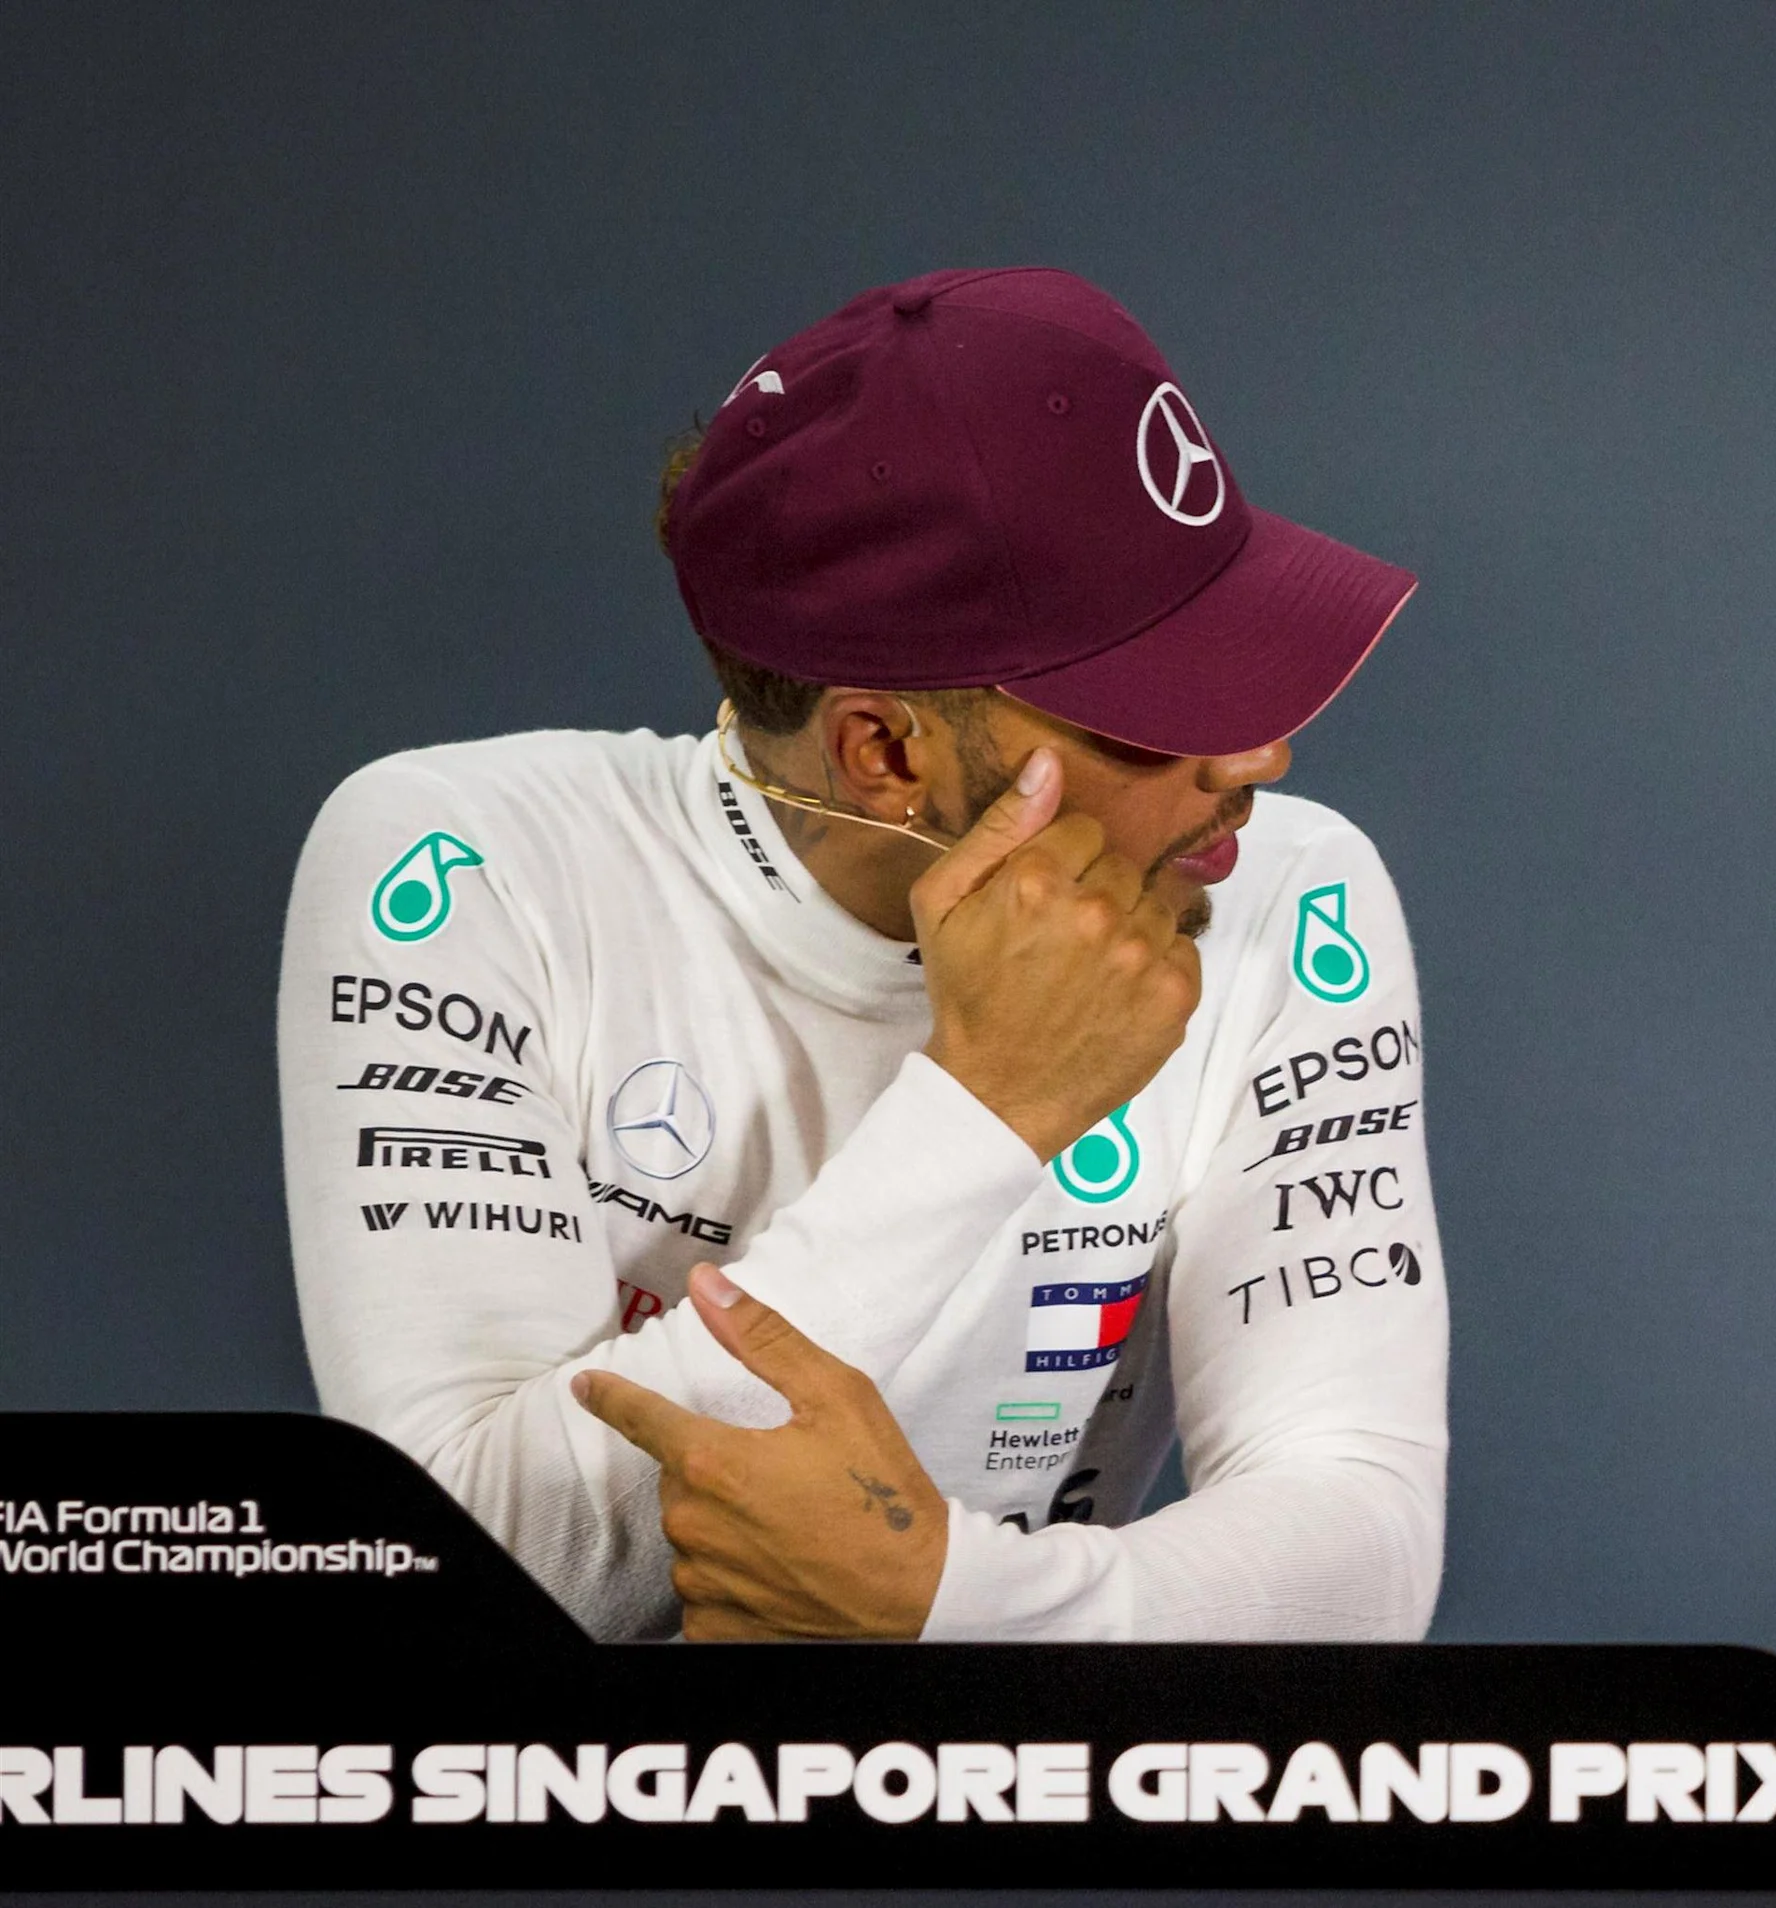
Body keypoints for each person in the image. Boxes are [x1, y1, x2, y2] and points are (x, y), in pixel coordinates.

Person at [279, 267, 1447, 1642]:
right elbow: (476, 1583)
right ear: (882, 751)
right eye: (1151, 710)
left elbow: (1362, 1545)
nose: (1259, 754)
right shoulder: (467, 865)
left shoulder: (1290, 890)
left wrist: (949, 1600)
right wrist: (985, 1109)